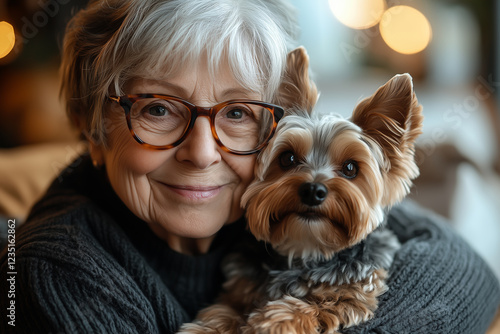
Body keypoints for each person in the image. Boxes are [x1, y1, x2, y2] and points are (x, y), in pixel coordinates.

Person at [0, 0, 498, 333]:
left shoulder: (258, 214)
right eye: (156, 108)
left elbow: (469, 271)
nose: (200, 152)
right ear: (93, 128)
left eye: (237, 112)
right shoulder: (57, 272)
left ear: (268, 126)